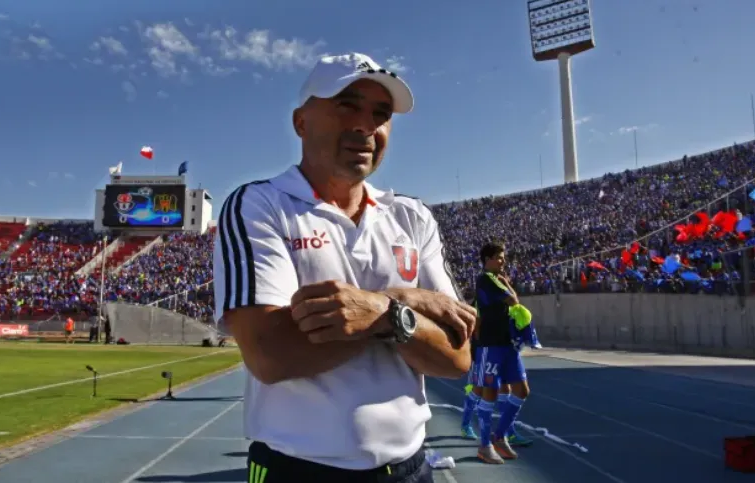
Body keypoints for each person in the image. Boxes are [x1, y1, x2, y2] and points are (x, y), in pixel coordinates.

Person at [214, 52, 475, 483]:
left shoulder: (412, 216)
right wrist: (402, 304)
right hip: (296, 471)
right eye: (346, 104)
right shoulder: (259, 205)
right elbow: (270, 354)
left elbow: (457, 356)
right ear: (301, 122)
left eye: (381, 113)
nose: (365, 125)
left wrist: (381, 312)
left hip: (409, 468)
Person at [473, 242, 532, 464]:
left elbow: (512, 298)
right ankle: (485, 445)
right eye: (499, 257)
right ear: (487, 259)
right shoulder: (485, 279)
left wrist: (507, 285)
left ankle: (499, 436)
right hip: (491, 344)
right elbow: (513, 300)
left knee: (522, 390)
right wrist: (508, 286)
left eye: (503, 257)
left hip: (507, 344)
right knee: (490, 391)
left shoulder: (498, 280)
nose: (503, 261)